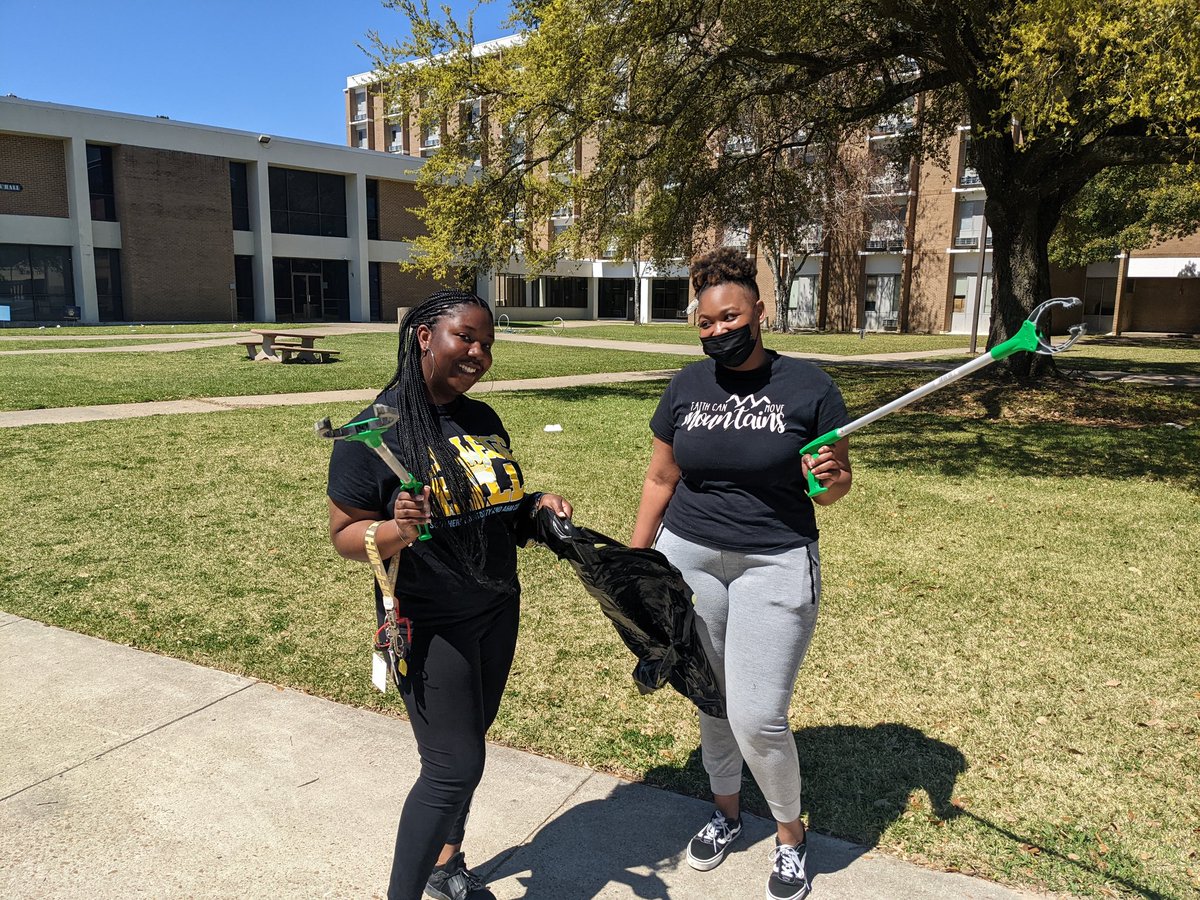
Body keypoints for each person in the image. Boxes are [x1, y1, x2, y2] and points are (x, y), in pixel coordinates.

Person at [325, 289, 572, 900]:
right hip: (429, 621)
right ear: (424, 337)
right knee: (452, 768)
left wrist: (535, 505)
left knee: (468, 749)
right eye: (466, 337)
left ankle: (446, 863)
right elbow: (345, 536)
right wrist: (397, 530)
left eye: (487, 342)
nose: (479, 353)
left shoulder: (482, 419)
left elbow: (498, 508)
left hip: (496, 607)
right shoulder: (371, 432)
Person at [631, 248, 852, 900]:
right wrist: (637, 564)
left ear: (759, 311)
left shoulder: (810, 388)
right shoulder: (687, 386)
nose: (719, 330)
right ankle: (725, 812)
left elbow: (831, 489)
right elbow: (661, 477)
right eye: (706, 323)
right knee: (712, 700)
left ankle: (790, 835)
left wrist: (831, 478)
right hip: (688, 555)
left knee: (758, 717)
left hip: (774, 561)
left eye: (730, 317)